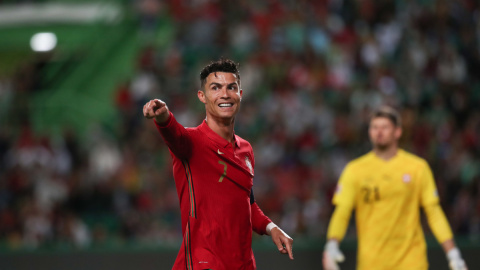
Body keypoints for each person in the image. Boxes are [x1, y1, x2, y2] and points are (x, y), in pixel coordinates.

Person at [143, 58, 293, 270]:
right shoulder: (191, 142)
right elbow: (173, 133)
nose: (225, 94)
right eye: (216, 88)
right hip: (203, 263)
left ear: (240, 95)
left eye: (231, 87)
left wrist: (271, 228)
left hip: (242, 264)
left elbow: (246, 203)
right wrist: (163, 116)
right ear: (202, 96)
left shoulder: (246, 149)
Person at [322, 106, 468, 270]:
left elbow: (433, 212)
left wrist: (453, 254)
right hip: (371, 263)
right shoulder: (355, 170)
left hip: (411, 261)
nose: (379, 132)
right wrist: (332, 245)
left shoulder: (417, 168)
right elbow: (342, 212)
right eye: (374, 127)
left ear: (397, 132)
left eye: (384, 127)